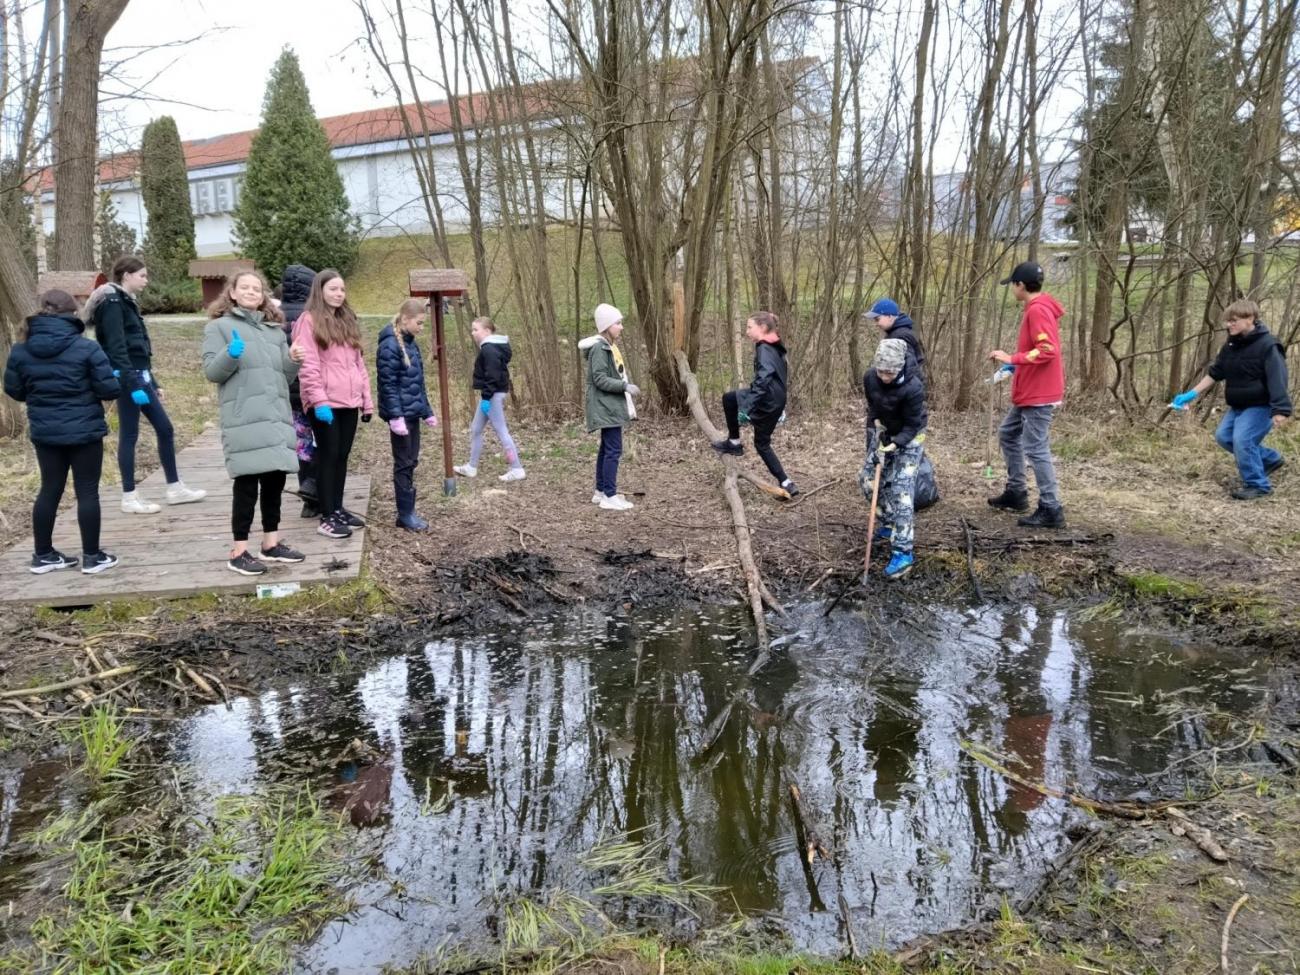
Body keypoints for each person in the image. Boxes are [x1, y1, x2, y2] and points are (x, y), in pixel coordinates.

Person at [4, 290, 122, 575]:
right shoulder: (86, 348)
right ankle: (92, 557)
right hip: (84, 431)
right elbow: (109, 389)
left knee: (49, 489)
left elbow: (14, 390)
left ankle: (43, 554)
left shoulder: (20, 350)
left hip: (45, 432)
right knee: (87, 491)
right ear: (73, 314)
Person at [202, 271, 307, 576]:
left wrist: (293, 359)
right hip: (244, 418)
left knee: (275, 481)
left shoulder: (273, 331)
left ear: (263, 295)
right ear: (232, 293)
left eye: (256, 288)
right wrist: (230, 354)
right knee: (247, 484)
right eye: (244, 287)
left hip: (274, 416)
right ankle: (238, 551)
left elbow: (282, 378)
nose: (251, 291)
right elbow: (213, 372)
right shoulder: (219, 328)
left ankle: (271, 544)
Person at [85, 255, 207, 513]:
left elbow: (139, 347)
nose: (146, 280)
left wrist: (153, 380)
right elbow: (116, 348)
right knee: (130, 434)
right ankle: (129, 496)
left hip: (140, 375)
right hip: (128, 378)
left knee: (165, 429)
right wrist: (134, 384)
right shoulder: (113, 302)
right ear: (126, 275)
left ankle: (174, 487)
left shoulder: (126, 302)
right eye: (142, 275)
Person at [1171, 298, 1292, 499]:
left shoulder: (1269, 345)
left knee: (1242, 440)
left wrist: (1280, 409)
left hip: (1261, 406)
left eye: (1234, 320)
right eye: (1228, 321)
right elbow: (1215, 373)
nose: (1229, 324)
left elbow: (1278, 378)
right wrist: (1191, 394)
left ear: (1250, 319)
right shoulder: (1230, 346)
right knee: (1224, 437)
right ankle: (1270, 459)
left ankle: (1258, 485)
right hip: (1238, 405)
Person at [293, 269, 373, 539]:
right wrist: (319, 401)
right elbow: (308, 366)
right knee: (327, 456)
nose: (338, 294)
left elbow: (358, 364)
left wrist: (367, 400)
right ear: (320, 291)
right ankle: (326, 515)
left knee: (341, 456)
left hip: (349, 400)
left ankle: (338, 508)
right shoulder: (308, 320)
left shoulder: (347, 319)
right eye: (333, 289)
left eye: (342, 290)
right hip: (324, 402)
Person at [987, 260, 1066, 528]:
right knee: (1008, 434)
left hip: (1039, 393)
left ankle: (1051, 508)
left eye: (1013, 285)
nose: (1012, 289)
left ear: (1021, 285)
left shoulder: (1037, 310)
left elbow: (1047, 350)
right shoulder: (1037, 307)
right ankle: (1017, 492)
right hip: (1029, 389)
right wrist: (1013, 364)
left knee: (1035, 447)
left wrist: (1013, 357)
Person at [859, 338, 928, 580]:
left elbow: (913, 425)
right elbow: (873, 405)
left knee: (902, 493)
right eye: (881, 371)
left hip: (910, 438)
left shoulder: (914, 387)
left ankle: (903, 552)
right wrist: (878, 427)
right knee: (867, 481)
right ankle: (889, 523)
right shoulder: (870, 378)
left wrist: (895, 445)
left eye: (889, 372)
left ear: (899, 368)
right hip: (885, 432)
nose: (884, 376)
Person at [711, 311, 799, 497]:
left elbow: (763, 379)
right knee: (762, 443)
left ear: (763, 328)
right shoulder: (776, 346)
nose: (747, 331)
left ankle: (734, 442)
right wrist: (780, 405)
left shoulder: (765, 349)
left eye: (750, 327)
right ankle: (786, 481)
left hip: (766, 398)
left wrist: (747, 407)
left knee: (729, 399)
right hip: (776, 400)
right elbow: (779, 376)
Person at [377, 298, 440, 531]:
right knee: (403, 463)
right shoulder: (390, 345)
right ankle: (405, 514)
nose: (421, 328)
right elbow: (388, 384)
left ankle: (408, 510)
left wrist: (427, 411)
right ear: (405, 319)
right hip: (401, 417)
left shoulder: (411, 343)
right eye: (419, 323)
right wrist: (395, 416)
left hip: (413, 414)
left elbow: (417, 384)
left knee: (412, 461)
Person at [578, 303, 640, 510]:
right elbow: (599, 379)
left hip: (609, 406)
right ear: (607, 326)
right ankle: (610, 496)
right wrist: (625, 386)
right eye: (618, 323)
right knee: (613, 450)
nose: (621, 327)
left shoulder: (607, 346)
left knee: (606, 449)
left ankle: (601, 491)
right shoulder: (600, 348)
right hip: (606, 407)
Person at [453, 317, 525, 483]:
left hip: (492, 395)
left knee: (501, 430)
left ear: (487, 331)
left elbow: (492, 375)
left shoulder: (490, 350)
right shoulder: (490, 348)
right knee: (476, 428)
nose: (473, 333)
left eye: (475, 329)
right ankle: (471, 467)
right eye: (472, 329)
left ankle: (516, 468)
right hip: (489, 394)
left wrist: (486, 398)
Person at [279, 263, 320, 517]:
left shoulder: (275, 315)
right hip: (313, 390)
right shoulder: (313, 316)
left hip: (287, 392)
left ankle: (308, 499)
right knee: (324, 440)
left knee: (301, 442)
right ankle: (317, 486)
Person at [864, 297, 927, 382]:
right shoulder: (898, 332)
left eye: (877, 319)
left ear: (889, 316)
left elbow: (911, 369)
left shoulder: (900, 337)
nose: (876, 324)